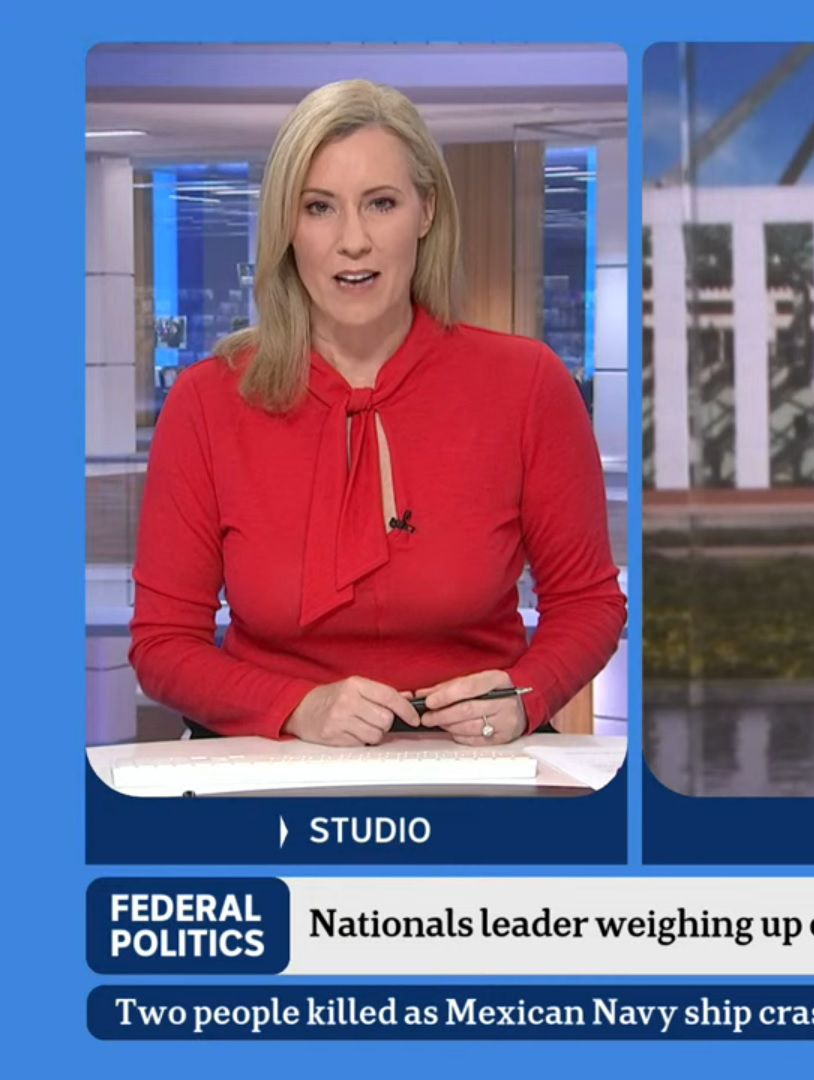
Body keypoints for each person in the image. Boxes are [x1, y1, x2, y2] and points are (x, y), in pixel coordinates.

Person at [129, 80, 626, 748]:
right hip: (270, 762)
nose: (353, 241)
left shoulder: (528, 385)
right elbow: (162, 644)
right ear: (286, 228)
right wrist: (296, 707)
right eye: (319, 208)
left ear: (426, 211)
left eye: (381, 203)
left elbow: (589, 604)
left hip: (478, 761)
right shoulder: (206, 402)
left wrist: (523, 697)